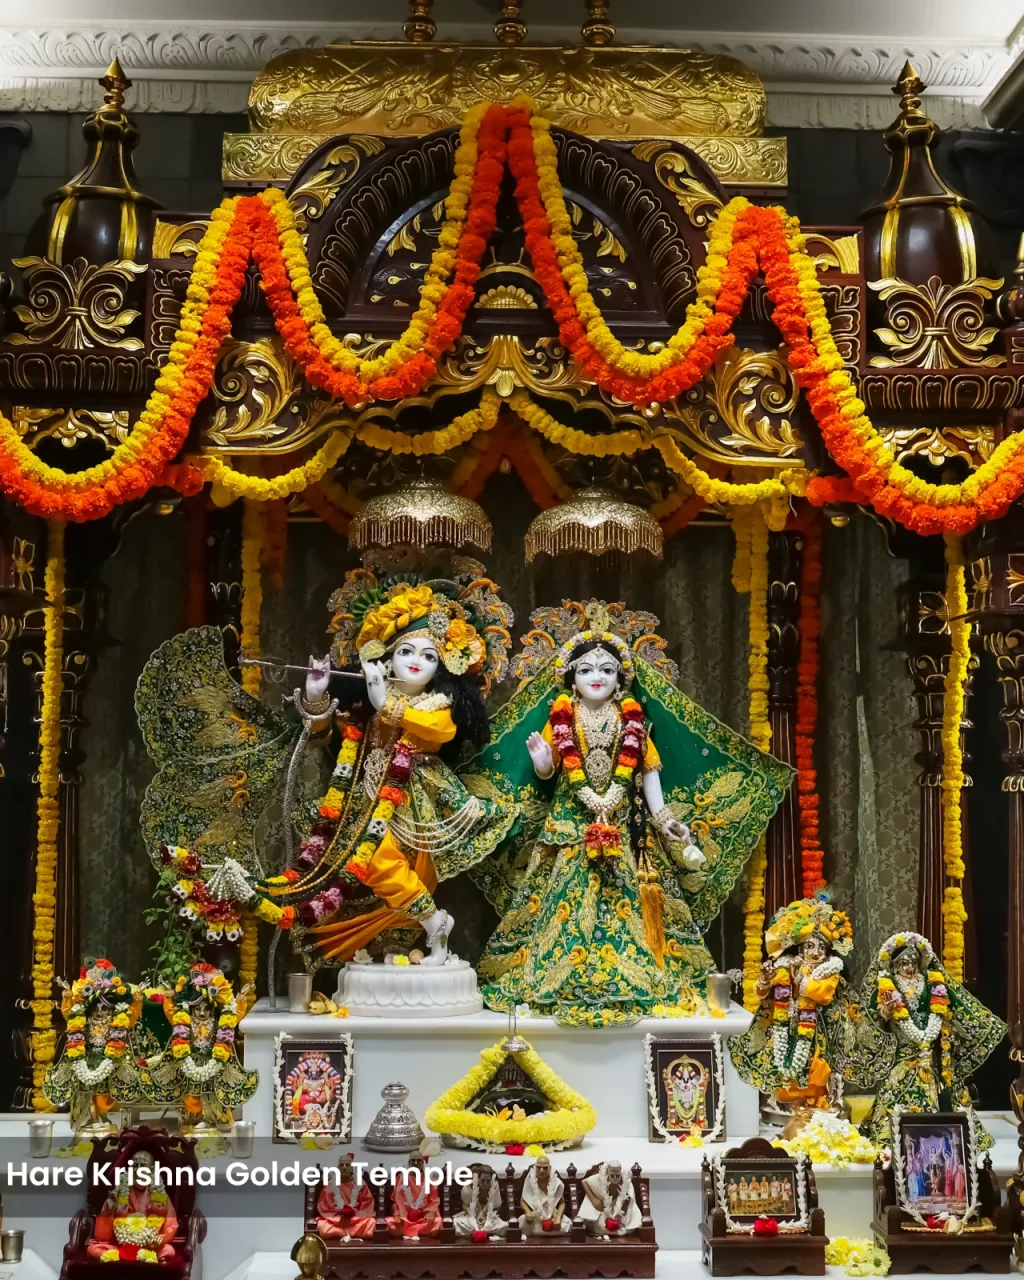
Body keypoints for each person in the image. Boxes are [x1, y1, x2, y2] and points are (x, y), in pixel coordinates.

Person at [135, 570, 518, 971]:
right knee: (364, 866)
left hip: (416, 803)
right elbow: (322, 736)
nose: (416, 662)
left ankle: (430, 923)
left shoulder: (437, 706)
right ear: (386, 657)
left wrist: (386, 703)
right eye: (406, 651)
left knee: (382, 864)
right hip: (362, 796)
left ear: (441, 667)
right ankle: (428, 924)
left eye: (428, 656)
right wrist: (317, 697)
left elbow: (439, 731)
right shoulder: (366, 706)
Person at [473, 602, 792, 1027]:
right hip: (571, 823)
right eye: (587, 670)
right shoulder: (562, 717)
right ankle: (559, 976)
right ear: (571, 678)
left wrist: (664, 819)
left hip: (624, 826)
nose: (597, 677)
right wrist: (543, 764)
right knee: (560, 903)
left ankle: (635, 977)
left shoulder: (632, 721)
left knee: (630, 903)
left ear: (620, 678)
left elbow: (647, 771)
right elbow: (550, 771)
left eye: (607, 670)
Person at [849, 932, 1006, 1147]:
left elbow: (954, 1006)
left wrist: (974, 1026)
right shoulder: (886, 984)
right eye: (904, 963)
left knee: (943, 1092)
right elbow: (872, 1021)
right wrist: (885, 1013)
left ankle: (943, 1140)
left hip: (932, 1055)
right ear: (894, 965)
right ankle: (897, 1140)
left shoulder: (933, 983)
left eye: (913, 962)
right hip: (904, 1054)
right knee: (895, 1092)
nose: (909, 967)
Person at [729, 894, 856, 1110]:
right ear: (799, 949)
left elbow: (824, 994)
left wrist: (802, 982)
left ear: (827, 952)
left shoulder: (829, 971)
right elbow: (762, 995)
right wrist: (765, 980)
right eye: (809, 946)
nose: (815, 952)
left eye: (821, 948)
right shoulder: (784, 966)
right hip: (784, 1028)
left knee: (814, 1075)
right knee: (783, 1071)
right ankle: (788, 1110)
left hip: (817, 1031)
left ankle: (814, 1110)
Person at [86, 1151, 178, 1261]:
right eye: (135, 1165)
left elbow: (171, 1226)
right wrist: (109, 1212)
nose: (139, 1170)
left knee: (168, 1250)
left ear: (152, 1170)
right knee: (93, 1249)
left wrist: (160, 1239)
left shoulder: (161, 1196)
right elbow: (102, 1236)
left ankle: (136, 1258)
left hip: (149, 1247)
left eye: (143, 1166)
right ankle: (121, 1257)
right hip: (120, 1246)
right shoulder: (118, 1194)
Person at [316, 1154, 375, 1240]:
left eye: (347, 1165)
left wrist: (352, 1214)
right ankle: (350, 1233)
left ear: (351, 1168)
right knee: (323, 1226)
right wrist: (341, 1216)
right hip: (337, 1221)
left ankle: (340, 1233)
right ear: (338, 1168)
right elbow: (325, 1208)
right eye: (341, 1165)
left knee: (371, 1223)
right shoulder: (331, 1185)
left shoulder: (360, 1184)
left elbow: (367, 1206)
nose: (344, 1168)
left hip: (356, 1220)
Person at [579, 1161, 642, 1238]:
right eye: (612, 1175)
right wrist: (594, 1200)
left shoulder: (626, 1181)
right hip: (602, 1212)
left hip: (619, 1212)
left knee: (626, 1224)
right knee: (600, 1225)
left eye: (617, 1175)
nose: (615, 1178)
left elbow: (630, 1202)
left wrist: (617, 1214)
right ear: (608, 1172)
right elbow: (584, 1181)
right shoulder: (600, 1177)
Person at [388, 1154, 440, 1240]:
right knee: (389, 1223)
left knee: (438, 1222)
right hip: (405, 1216)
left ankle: (409, 1231)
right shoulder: (401, 1178)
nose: (415, 1163)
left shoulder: (430, 1179)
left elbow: (434, 1200)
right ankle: (418, 1231)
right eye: (413, 1160)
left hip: (423, 1215)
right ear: (409, 1162)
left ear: (423, 1162)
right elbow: (396, 1201)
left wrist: (431, 1211)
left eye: (418, 1160)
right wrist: (397, 1214)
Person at [453, 1165, 507, 1239]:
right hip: (470, 1216)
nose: (485, 1183)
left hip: (489, 1217)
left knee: (504, 1226)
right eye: (482, 1180)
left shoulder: (494, 1185)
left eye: (488, 1181)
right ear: (478, 1178)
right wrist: (475, 1217)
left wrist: (486, 1217)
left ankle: (480, 1230)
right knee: (456, 1223)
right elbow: (464, 1205)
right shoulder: (469, 1186)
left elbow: (497, 1206)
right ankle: (483, 1231)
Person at [520, 1156, 569, 1235]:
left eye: (545, 1168)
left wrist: (558, 1217)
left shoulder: (556, 1182)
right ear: (535, 1167)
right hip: (535, 1217)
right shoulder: (530, 1181)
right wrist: (527, 1211)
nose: (541, 1170)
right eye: (539, 1167)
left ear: (549, 1168)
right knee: (522, 1222)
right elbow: (523, 1200)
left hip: (552, 1217)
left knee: (567, 1225)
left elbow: (562, 1203)